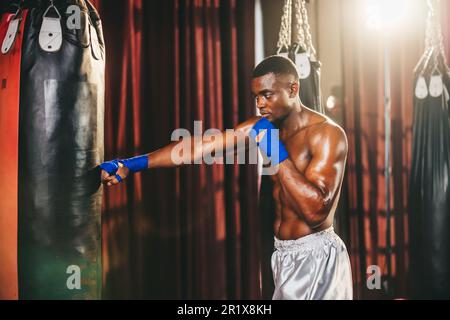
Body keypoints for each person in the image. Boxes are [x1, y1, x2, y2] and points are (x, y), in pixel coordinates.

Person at [100, 55, 353, 300]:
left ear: (293, 89)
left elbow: (316, 211)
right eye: (256, 97)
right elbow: (199, 147)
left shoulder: (327, 134)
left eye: (267, 95)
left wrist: (275, 151)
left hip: (318, 259)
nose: (260, 104)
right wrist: (131, 164)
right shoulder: (262, 126)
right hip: (283, 256)